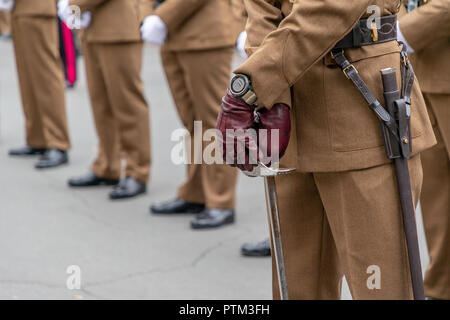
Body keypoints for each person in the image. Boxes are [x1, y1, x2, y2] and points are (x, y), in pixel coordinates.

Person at [216, 0, 436, 299]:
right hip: (290, 107)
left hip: (359, 110)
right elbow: (261, 9)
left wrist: (251, 83)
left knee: (382, 287)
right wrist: (268, 92)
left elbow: (330, 6)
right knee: (296, 287)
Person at [141, 0, 246, 229]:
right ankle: (196, 191)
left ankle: (221, 199)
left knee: (215, 122)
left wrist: (162, 16)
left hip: (205, 32)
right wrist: (148, 14)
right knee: (192, 122)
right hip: (171, 34)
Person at [60, 0, 152, 200]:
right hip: (94, 27)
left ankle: (137, 170)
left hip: (119, 25)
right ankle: (107, 164)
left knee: (127, 104)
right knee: (101, 103)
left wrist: (73, 4)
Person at [398, 0, 450, 300]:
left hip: (422, 50)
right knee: (436, 194)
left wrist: (401, 32)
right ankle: (441, 284)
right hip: (421, 75)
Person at [5, 0, 71, 169]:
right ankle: (38, 138)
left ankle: (58, 141)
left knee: (46, 77)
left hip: (38, 7)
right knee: (28, 77)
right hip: (20, 9)